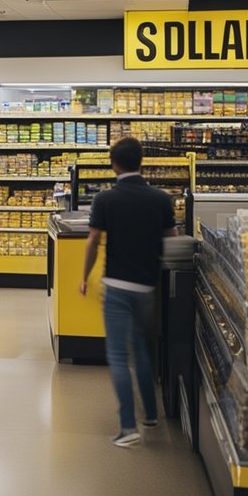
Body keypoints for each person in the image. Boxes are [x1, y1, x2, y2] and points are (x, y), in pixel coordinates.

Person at [79, 136, 177, 447]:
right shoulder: (161, 199)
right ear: (141, 162)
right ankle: (150, 414)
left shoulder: (105, 199)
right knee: (142, 352)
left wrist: (84, 277)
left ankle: (127, 427)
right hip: (147, 288)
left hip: (117, 287)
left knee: (118, 357)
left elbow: (93, 241)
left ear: (114, 163)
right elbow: (172, 241)